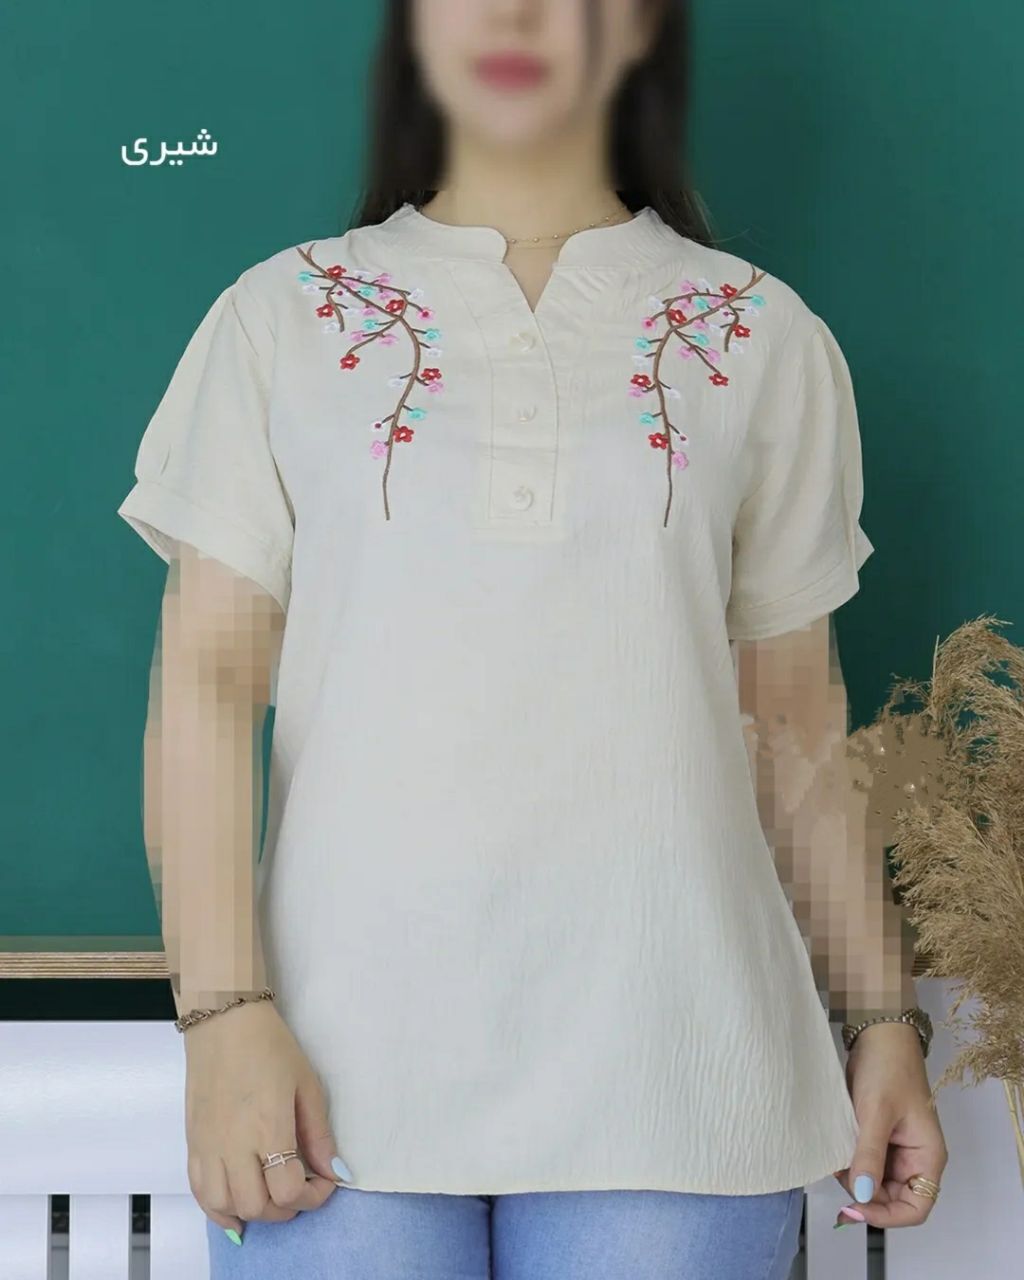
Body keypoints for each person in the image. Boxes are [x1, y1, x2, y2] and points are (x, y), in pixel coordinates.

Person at [116, 1, 948, 1276]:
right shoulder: (279, 318)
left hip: (681, 1058)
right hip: (331, 1060)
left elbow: (791, 720)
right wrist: (221, 1013)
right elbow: (208, 685)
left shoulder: (759, 333)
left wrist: (883, 1015)